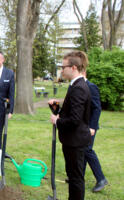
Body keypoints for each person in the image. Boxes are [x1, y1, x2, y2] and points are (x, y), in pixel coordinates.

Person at [49, 51, 92, 200]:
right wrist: (58, 110)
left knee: (76, 179)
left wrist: (57, 120)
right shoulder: (76, 85)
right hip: (73, 140)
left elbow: (75, 120)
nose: (62, 69)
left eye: (63, 66)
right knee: (73, 176)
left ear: (73, 67)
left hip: (75, 141)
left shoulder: (79, 88)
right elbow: (73, 113)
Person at [82, 70, 108, 192]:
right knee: (81, 150)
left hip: (89, 127)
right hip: (81, 126)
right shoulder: (76, 86)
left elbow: (97, 108)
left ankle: (101, 179)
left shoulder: (91, 87)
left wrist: (92, 127)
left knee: (87, 150)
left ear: (84, 72)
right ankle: (78, 177)